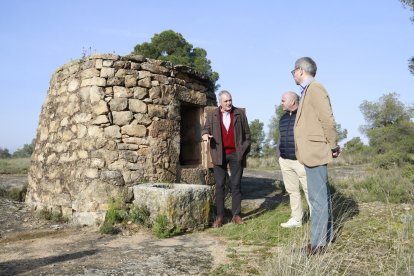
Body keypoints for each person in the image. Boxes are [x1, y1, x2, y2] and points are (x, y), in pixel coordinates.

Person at [291, 57, 341, 255]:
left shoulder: (316, 88)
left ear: (300, 70)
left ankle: (318, 244)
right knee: (319, 198)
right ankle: (323, 239)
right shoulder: (308, 91)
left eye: (294, 71)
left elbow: (327, 119)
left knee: (318, 199)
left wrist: (333, 144)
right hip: (312, 152)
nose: (293, 75)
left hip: (316, 151)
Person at [202, 90, 251, 228]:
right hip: (219, 154)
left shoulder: (239, 114)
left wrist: (242, 150)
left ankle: (236, 215)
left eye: (230, 100)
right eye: (226, 101)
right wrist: (205, 135)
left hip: (236, 155)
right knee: (220, 186)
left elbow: (247, 135)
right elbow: (205, 129)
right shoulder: (212, 115)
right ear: (220, 103)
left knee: (236, 185)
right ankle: (220, 216)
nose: (229, 103)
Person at [278, 91, 310, 228]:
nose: (281, 102)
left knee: (309, 190)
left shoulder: (304, 116)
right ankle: (297, 219)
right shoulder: (283, 118)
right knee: (292, 191)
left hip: (300, 161)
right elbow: (280, 137)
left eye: (283, 100)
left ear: (292, 101)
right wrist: (279, 153)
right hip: (285, 160)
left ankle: (317, 218)